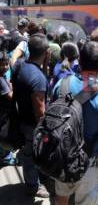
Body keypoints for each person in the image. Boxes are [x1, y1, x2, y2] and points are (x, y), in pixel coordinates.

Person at [53, 41, 98, 205]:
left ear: (80, 61)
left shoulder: (62, 84)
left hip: (61, 154)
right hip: (88, 161)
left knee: (61, 196)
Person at [11, 33, 50, 198]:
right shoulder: (38, 78)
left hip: (21, 118)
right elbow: (39, 110)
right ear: (46, 52)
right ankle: (33, 186)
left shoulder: (20, 65)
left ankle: (34, 178)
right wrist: (46, 132)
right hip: (32, 126)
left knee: (29, 154)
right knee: (31, 156)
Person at [0, 51, 18, 166]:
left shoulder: (2, 77)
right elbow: (11, 96)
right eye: (3, 64)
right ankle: (6, 157)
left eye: (7, 64)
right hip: (3, 113)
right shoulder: (1, 80)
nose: (6, 66)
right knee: (4, 134)